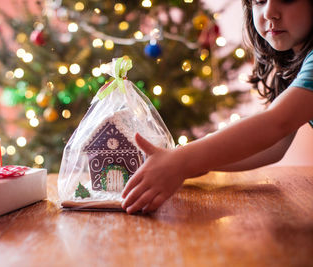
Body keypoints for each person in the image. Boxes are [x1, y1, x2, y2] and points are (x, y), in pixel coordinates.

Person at [122, 0, 313, 214]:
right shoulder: (298, 61)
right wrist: (187, 161)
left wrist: (182, 161)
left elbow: (277, 123)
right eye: (259, 1)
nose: (269, 12)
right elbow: (273, 146)